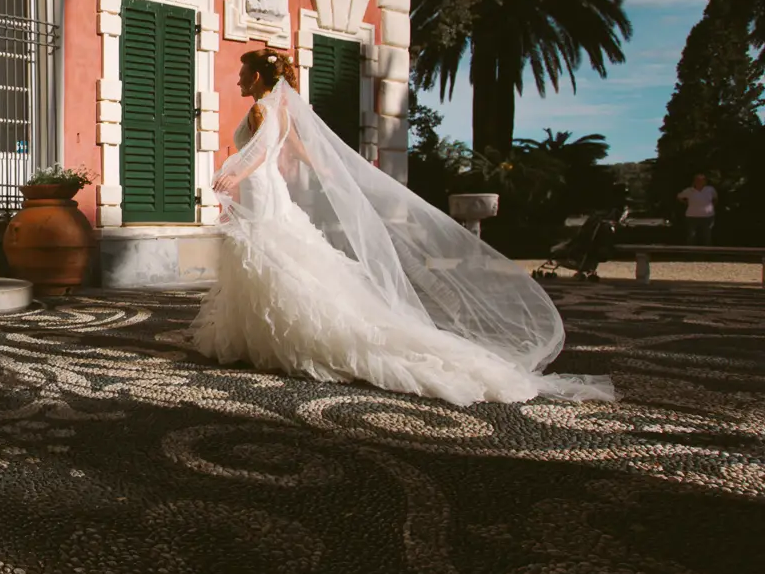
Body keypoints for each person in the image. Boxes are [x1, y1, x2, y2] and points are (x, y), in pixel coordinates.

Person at [190, 47, 614, 407]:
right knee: (275, 261)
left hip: (264, 191)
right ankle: (261, 337)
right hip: (269, 192)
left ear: (259, 75)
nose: (240, 79)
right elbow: (292, 148)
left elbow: (263, 153)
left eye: (244, 72)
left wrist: (235, 176)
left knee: (272, 258)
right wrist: (325, 168)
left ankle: (287, 338)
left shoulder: (264, 109)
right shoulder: (277, 109)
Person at [676, 174, 718, 247]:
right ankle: (691, 255)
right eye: (698, 180)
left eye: (702, 180)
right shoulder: (689, 190)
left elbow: (715, 198)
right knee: (691, 237)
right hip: (692, 216)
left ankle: (707, 255)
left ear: (705, 181)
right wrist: (686, 203)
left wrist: (711, 207)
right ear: (695, 181)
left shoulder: (710, 189)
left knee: (707, 237)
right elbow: (679, 196)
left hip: (707, 217)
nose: (700, 182)